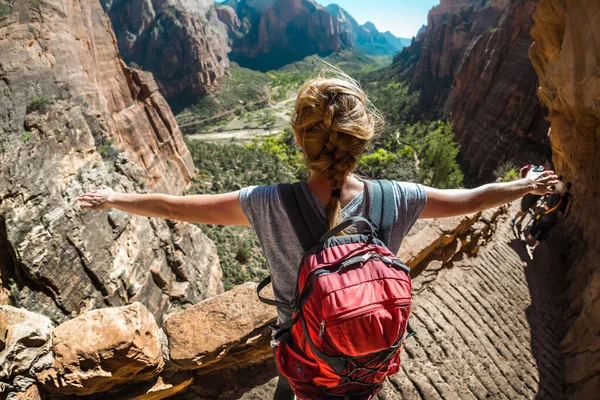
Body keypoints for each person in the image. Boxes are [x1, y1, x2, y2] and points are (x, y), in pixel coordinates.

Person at [77, 71, 559, 400]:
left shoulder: (266, 204)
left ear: (299, 139)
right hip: (370, 358)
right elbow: (472, 199)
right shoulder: (398, 197)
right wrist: (525, 184)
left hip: (306, 361)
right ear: (362, 137)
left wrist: (114, 199)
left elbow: (172, 207)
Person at [525, 180, 571, 258]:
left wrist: (541, 207)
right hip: (552, 220)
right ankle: (534, 248)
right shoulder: (561, 200)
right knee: (542, 233)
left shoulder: (553, 196)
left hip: (545, 217)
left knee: (536, 228)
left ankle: (526, 242)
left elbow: (547, 207)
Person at [511, 162, 553, 233]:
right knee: (524, 210)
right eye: (547, 168)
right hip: (529, 195)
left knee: (527, 211)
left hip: (535, 198)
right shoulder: (538, 173)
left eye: (549, 169)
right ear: (545, 167)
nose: (548, 170)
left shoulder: (546, 178)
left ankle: (520, 222)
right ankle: (514, 219)